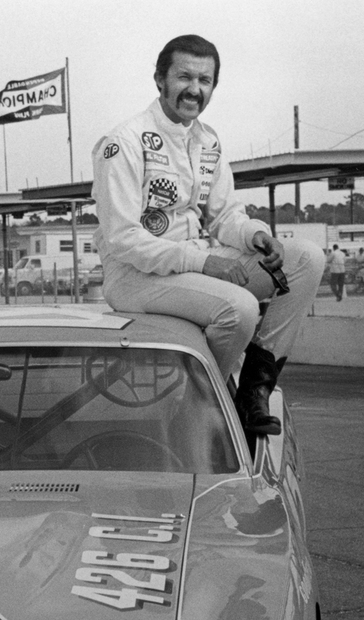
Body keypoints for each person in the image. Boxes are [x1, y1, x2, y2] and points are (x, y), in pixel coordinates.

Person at [91, 34, 323, 436]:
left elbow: (225, 217)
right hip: (133, 275)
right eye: (184, 77)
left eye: (205, 80)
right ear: (159, 79)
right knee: (239, 308)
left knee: (306, 258)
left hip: (194, 263)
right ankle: (196, 409)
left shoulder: (207, 140)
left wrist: (256, 236)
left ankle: (254, 391)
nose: (194, 90)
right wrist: (205, 262)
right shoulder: (124, 141)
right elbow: (123, 238)